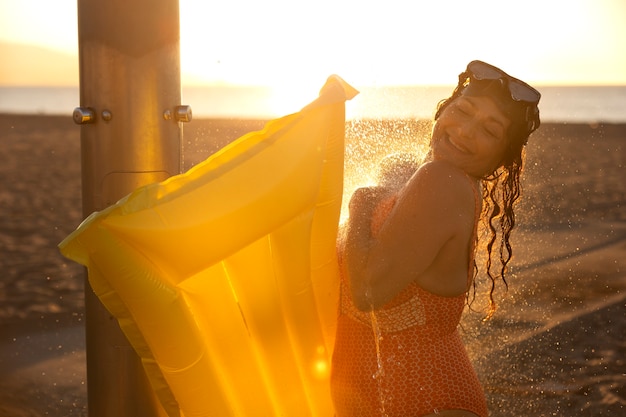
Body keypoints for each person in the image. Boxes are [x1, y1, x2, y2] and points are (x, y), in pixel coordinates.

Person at [330, 60, 541, 417]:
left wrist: (360, 203)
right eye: (463, 111)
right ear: (443, 110)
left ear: (500, 157)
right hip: (391, 397)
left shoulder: (441, 181)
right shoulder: (427, 179)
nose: (466, 131)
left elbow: (367, 291)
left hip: (429, 403)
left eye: (490, 131)